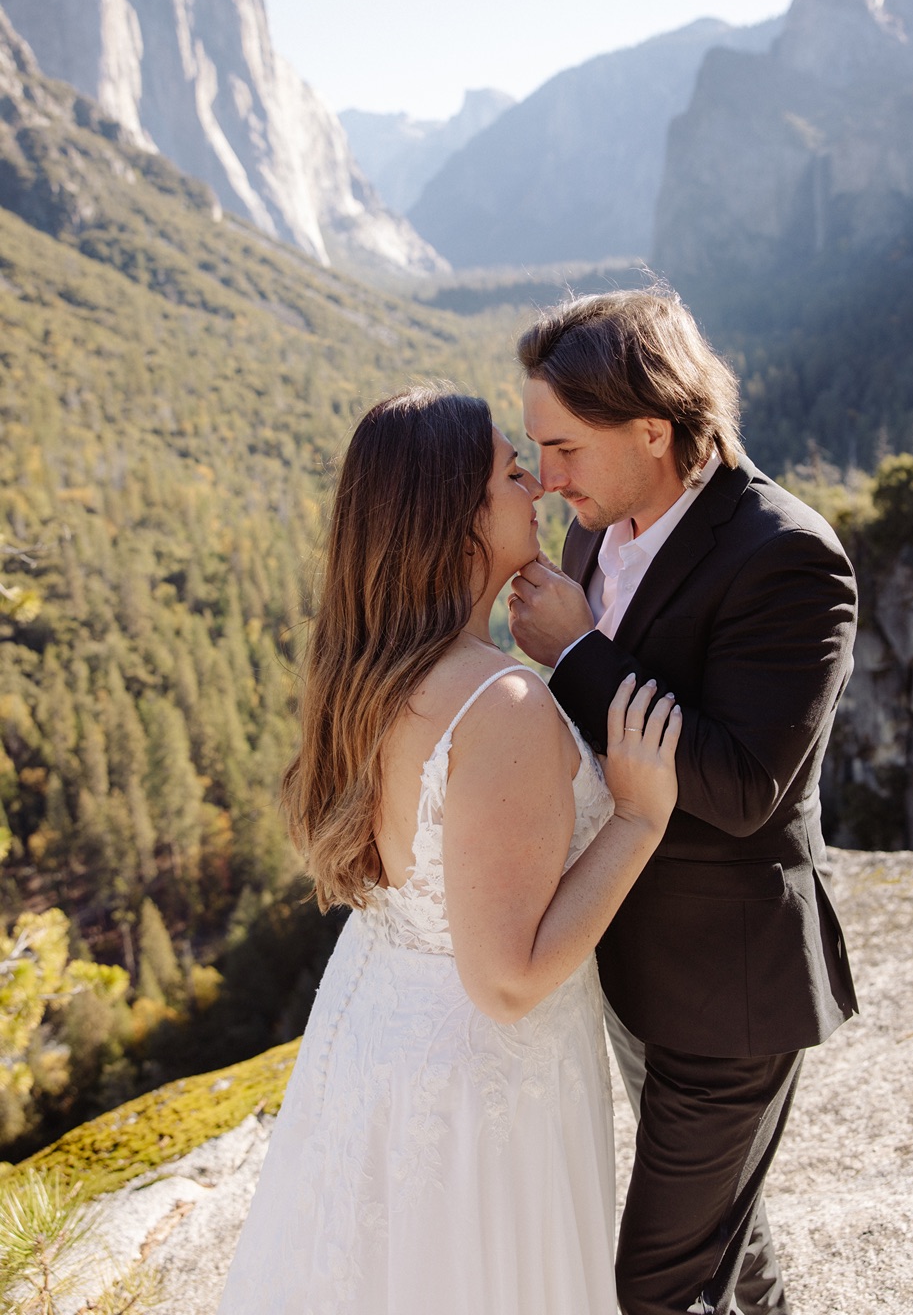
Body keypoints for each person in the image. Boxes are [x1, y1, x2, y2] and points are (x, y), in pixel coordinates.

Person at [216, 385, 681, 1315]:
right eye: (512, 473)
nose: (539, 488)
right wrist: (637, 818)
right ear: (457, 521)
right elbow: (507, 979)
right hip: (483, 1081)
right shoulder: (497, 703)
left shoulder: (370, 673)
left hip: (378, 1037)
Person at [508, 289, 859, 1315]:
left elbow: (746, 786)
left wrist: (576, 652)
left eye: (565, 448)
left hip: (729, 992)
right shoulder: (594, 532)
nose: (547, 478)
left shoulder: (788, 557)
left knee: (652, 1285)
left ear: (653, 430)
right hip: (623, 964)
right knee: (724, 1241)